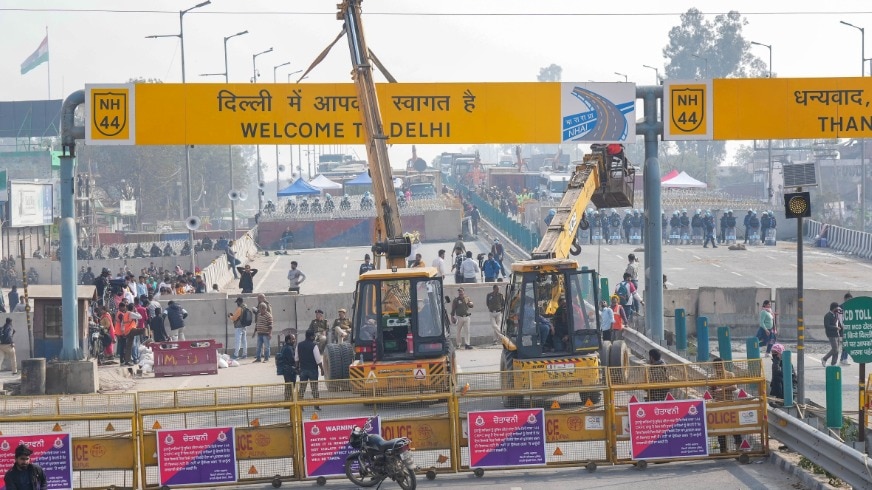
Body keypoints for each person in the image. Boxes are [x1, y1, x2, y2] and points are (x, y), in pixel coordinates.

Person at [709, 357, 742, 453]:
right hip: (718, 404)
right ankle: (723, 449)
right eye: (716, 366)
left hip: (729, 403)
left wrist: (723, 389)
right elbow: (710, 390)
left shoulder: (730, 374)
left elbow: (734, 387)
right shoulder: (713, 377)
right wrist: (712, 392)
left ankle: (738, 447)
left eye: (719, 365)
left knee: (734, 426)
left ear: (723, 365)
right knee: (720, 428)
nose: (718, 367)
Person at [296, 329, 324, 410]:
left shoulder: (299, 345)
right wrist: (322, 369)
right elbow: (318, 360)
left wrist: (297, 368)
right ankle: (316, 405)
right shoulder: (314, 346)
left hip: (303, 370)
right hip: (312, 370)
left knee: (302, 388)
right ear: (311, 337)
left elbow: (296, 358)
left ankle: (300, 405)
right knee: (314, 388)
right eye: (314, 336)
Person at [253, 294, 273, 362]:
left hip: (266, 333)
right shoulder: (259, 314)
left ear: (265, 308)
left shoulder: (268, 314)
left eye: (261, 308)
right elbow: (257, 323)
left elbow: (270, 325)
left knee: (266, 347)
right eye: (259, 308)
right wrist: (255, 332)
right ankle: (258, 358)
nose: (260, 310)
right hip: (260, 333)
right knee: (258, 346)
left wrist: (270, 333)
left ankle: (266, 358)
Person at [822, 301, 841, 367]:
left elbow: (838, 323)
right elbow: (827, 326)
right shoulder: (828, 316)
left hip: (837, 334)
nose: (838, 309)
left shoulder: (835, 315)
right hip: (831, 334)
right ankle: (824, 358)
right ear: (833, 308)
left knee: (837, 350)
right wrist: (836, 328)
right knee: (835, 349)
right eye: (837, 308)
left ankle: (834, 363)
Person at [279, 333, 297, 401]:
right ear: (288, 340)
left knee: (288, 386)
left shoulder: (285, 347)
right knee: (290, 386)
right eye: (293, 339)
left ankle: (288, 401)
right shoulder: (288, 348)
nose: (294, 340)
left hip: (287, 370)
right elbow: (292, 359)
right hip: (289, 370)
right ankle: (288, 402)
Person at [839, 292, 853, 366]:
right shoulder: (841, 307)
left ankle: (843, 359)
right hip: (844, 328)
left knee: (846, 344)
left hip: (850, 328)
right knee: (846, 344)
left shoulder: (852, 306)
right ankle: (844, 359)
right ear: (845, 299)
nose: (849, 300)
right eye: (848, 299)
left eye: (851, 299)